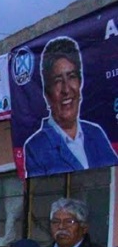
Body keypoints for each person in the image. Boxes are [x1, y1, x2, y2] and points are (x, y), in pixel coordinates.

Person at [22, 37, 118, 177]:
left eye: (72, 76)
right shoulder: (36, 148)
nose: (66, 89)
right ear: (47, 93)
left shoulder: (95, 134)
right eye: (57, 81)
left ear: (80, 83)